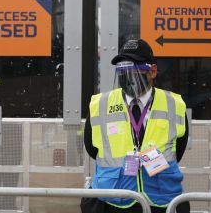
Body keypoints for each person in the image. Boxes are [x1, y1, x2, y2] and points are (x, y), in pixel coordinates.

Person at [81, 39, 190, 213]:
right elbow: (92, 149)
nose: (128, 75)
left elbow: (178, 150)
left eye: (134, 69)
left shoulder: (174, 105)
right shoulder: (100, 105)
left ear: (152, 71)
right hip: (112, 201)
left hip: (161, 202)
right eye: (123, 69)